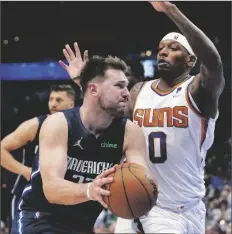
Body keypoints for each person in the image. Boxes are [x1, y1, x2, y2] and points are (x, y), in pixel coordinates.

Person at [115, 1, 225, 233]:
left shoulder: (198, 90)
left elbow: (213, 63)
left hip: (182, 209)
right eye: (161, 48)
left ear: (191, 60)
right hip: (137, 197)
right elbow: (113, 133)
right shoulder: (138, 92)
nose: (163, 52)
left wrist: (170, 10)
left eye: (174, 48)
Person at [11, 55, 151, 234]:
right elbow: (52, 189)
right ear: (93, 89)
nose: (126, 93)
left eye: (126, 85)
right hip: (41, 219)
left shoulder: (131, 132)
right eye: (119, 85)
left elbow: (140, 180)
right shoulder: (59, 124)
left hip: (83, 225)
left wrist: (138, 197)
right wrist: (90, 189)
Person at [1, 84, 76, 229]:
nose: (53, 104)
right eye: (51, 99)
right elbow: (1, 149)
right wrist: (24, 170)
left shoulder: (78, 129)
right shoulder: (36, 124)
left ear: (71, 104)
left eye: (59, 100)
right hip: (26, 196)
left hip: (57, 198)